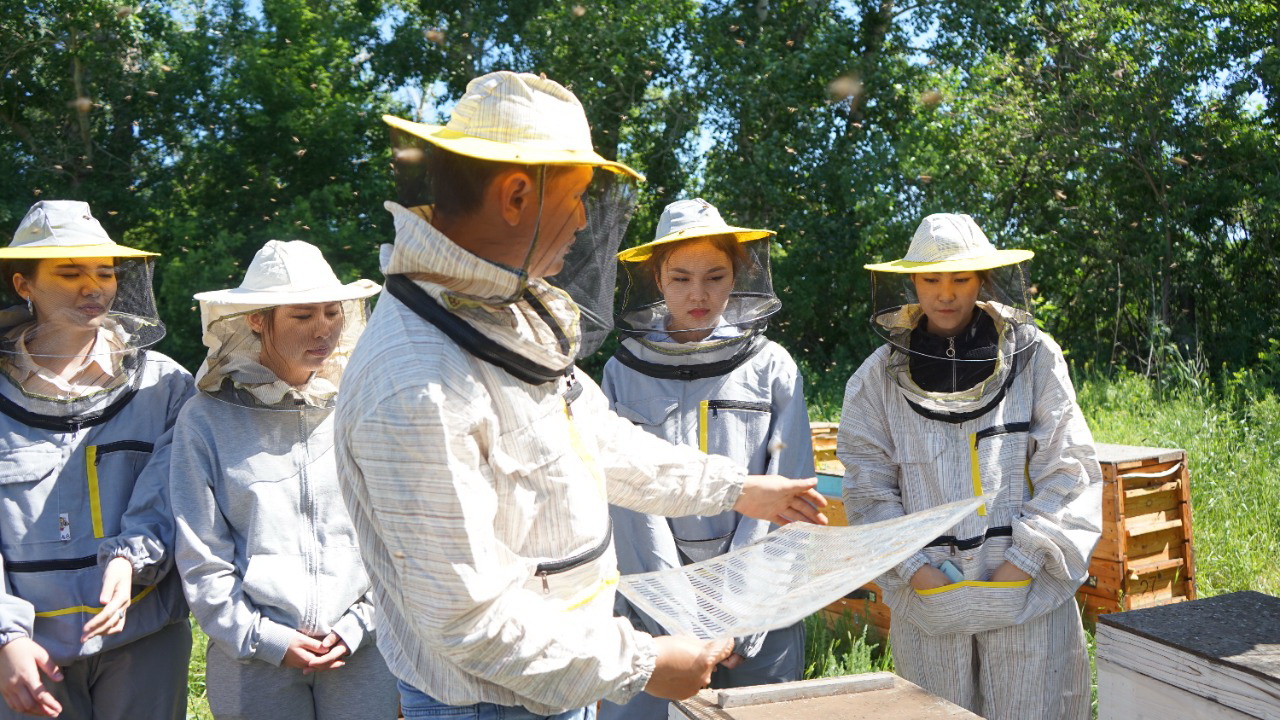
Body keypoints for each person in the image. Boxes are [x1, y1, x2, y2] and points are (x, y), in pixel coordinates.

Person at [334, 70, 827, 720]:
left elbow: (596, 440)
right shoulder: (416, 382)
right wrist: (644, 662)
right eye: (576, 196)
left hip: (558, 681)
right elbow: (468, 622)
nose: (586, 220)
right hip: (493, 704)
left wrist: (737, 489)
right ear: (517, 196)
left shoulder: (493, 315)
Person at [837, 213, 1102, 719]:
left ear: (982, 279)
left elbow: (1069, 469)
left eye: (960, 278)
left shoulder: (1035, 358)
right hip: (931, 593)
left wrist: (1021, 563)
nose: (946, 294)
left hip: (1026, 589)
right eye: (931, 279)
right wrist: (917, 570)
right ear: (912, 282)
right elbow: (868, 489)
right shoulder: (875, 378)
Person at [599, 199, 813, 720]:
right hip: (650, 605)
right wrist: (676, 617)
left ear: (737, 276)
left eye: (715, 277)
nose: (698, 294)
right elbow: (628, 501)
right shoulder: (622, 372)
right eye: (680, 278)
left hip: (760, 604)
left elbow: (785, 498)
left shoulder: (771, 367)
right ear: (656, 278)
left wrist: (738, 618)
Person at [169, 240, 397, 720]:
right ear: (257, 319)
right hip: (252, 663)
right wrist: (264, 637)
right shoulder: (205, 419)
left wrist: (360, 624)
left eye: (332, 312)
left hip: (361, 652)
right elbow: (200, 552)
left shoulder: (363, 406)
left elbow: (396, 534)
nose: (323, 328)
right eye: (302, 315)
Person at [0, 201, 194, 719]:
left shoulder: (166, 385)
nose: (94, 288)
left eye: (105, 272)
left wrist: (131, 560)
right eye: (70, 273)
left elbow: (174, 493)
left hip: (144, 636)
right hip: (25, 655)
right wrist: (5, 639)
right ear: (23, 284)